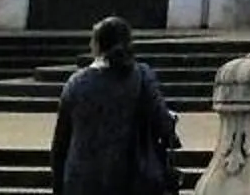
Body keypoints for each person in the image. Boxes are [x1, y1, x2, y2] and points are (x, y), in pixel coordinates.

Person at [49, 15, 175, 195]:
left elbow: (60, 144)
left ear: (97, 45)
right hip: (130, 180)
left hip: (81, 181)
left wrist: (59, 185)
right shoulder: (141, 76)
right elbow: (163, 124)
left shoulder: (75, 84)